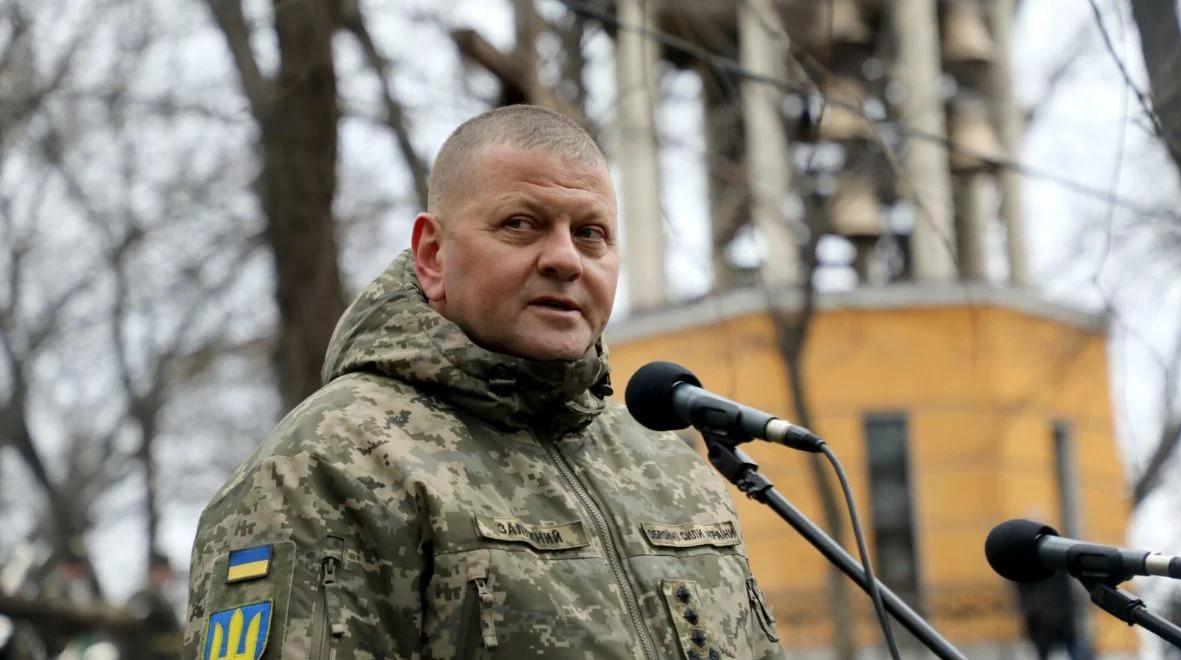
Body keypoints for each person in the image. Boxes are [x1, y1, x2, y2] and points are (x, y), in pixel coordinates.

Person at [182, 104, 784, 659]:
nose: (565, 259)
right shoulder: (328, 465)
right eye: (522, 224)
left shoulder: (670, 466)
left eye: (590, 233)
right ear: (433, 254)